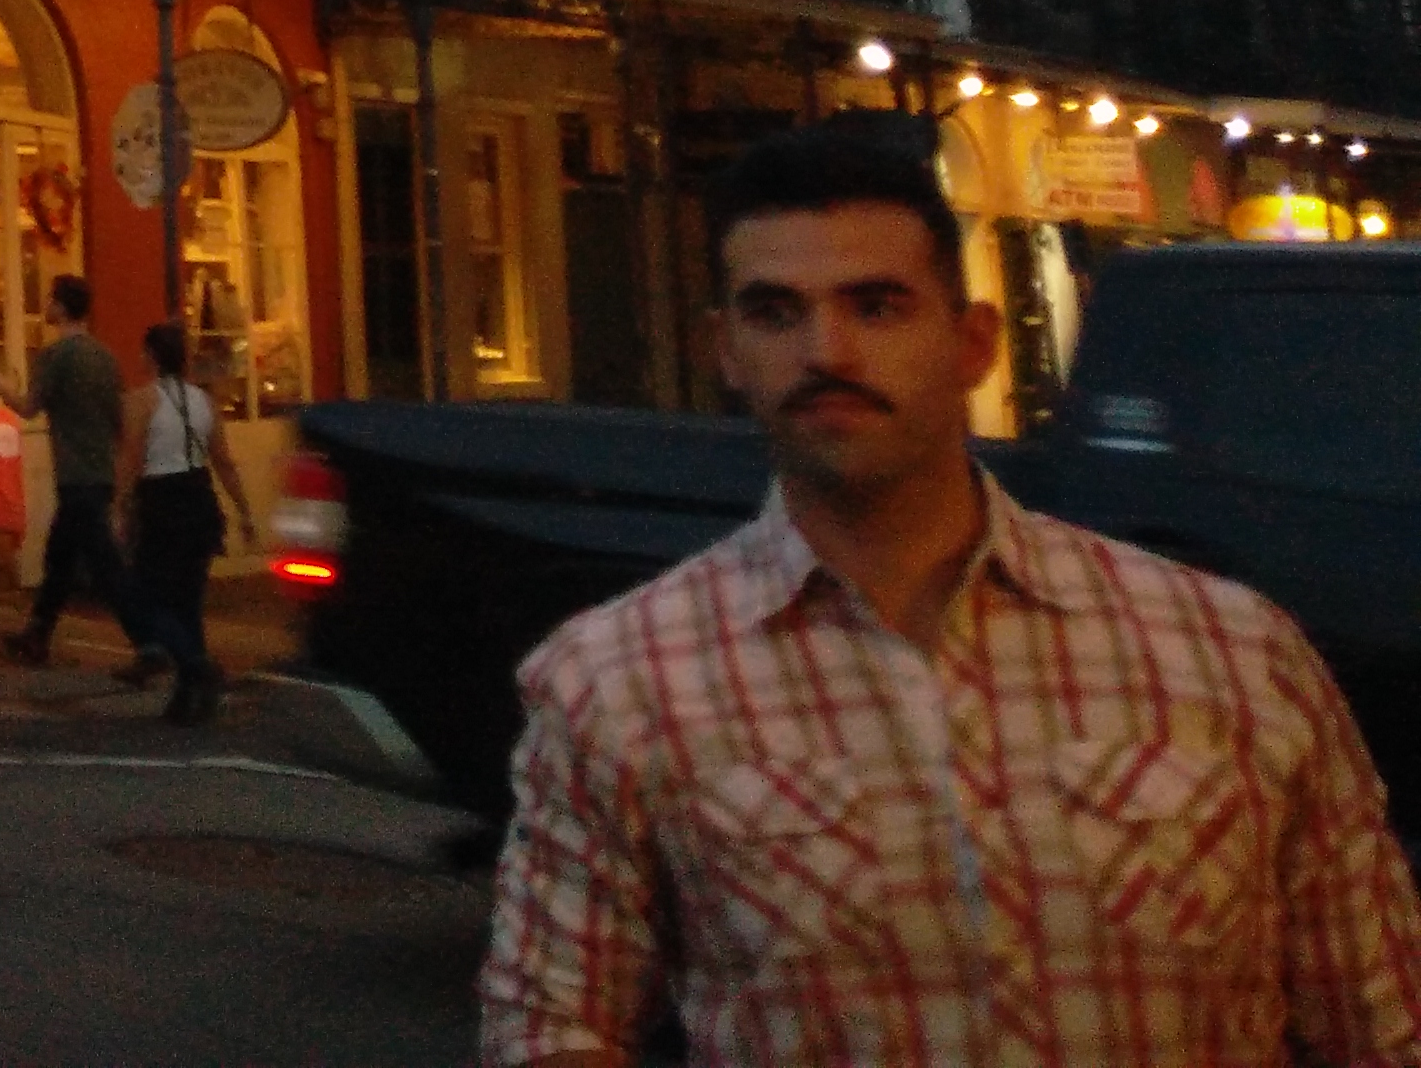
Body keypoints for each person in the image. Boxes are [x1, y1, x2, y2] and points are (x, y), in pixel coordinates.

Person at [483, 115, 1421, 1066]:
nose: (827, 352)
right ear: (724, 350)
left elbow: (1378, 1017)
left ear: (972, 343)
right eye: (776, 313)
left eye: (878, 307)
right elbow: (553, 1026)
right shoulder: (622, 683)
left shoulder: (1227, 654)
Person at [9, 275, 146, 674]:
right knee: (60, 557)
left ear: (62, 306)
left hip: (74, 474)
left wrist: (2, 389)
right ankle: (37, 633)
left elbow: (29, 408)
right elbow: (119, 419)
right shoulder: (105, 357)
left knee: (105, 565)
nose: (46, 306)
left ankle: (148, 642)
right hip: (99, 471)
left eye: (51, 300)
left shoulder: (56, 356)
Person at [117, 318, 248, 724]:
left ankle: (196, 666)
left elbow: (131, 458)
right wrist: (243, 509)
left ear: (152, 356)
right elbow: (223, 460)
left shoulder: (142, 400)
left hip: (162, 500)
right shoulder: (203, 401)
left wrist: (119, 505)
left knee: (145, 595)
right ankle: (190, 694)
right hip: (200, 495)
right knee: (188, 600)